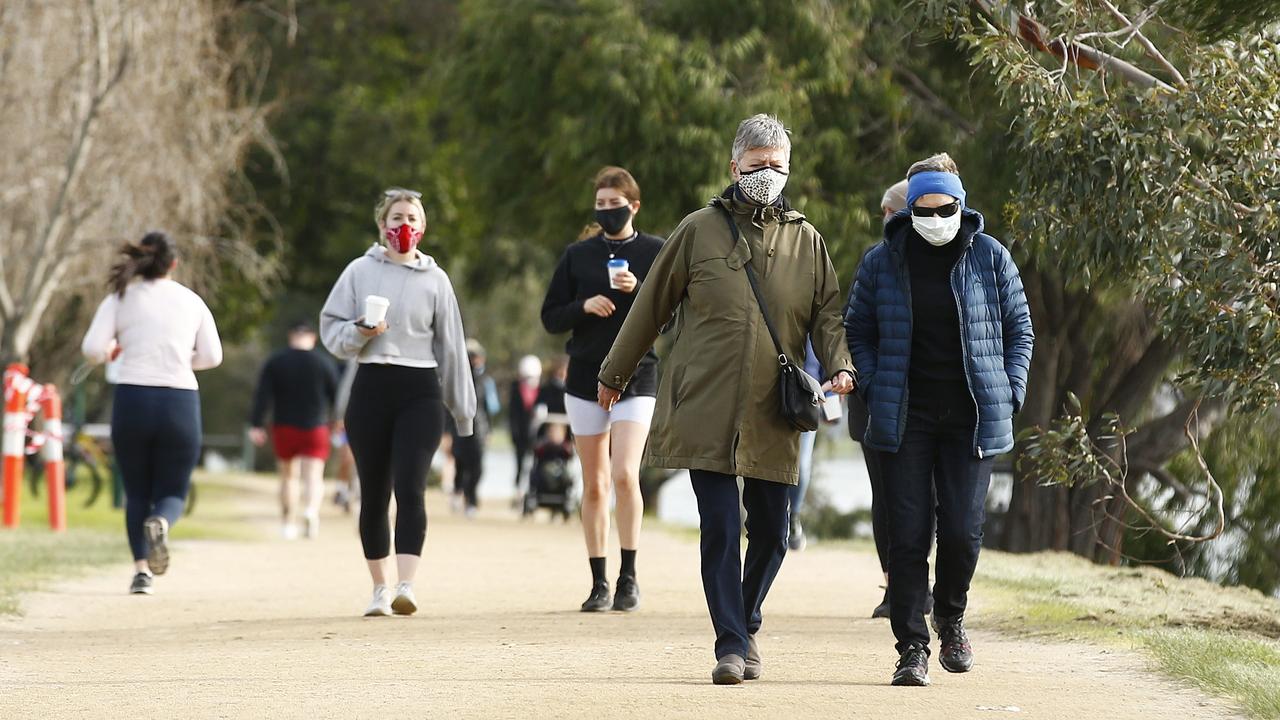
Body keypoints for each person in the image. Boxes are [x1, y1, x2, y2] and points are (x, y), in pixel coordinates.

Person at [598, 115, 855, 684]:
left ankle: (746, 616)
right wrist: (614, 372)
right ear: (734, 166)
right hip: (704, 405)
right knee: (718, 525)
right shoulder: (698, 230)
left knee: (772, 530)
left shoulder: (806, 240)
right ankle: (731, 646)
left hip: (774, 409)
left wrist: (839, 364)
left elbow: (828, 315)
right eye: (758, 163)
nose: (768, 173)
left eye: (778, 164)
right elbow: (650, 308)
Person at [844, 153, 1033, 686]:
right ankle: (911, 646)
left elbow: (1021, 329)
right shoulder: (881, 261)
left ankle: (950, 617)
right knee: (907, 533)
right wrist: (877, 381)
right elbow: (856, 330)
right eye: (922, 210)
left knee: (961, 532)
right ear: (907, 212)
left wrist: (1012, 388)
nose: (933, 218)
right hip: (906, 417)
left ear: (961, 206)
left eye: (943, 208)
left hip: (971, 417)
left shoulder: (991, 257)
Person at [320, 187, 476, 617]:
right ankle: (379, 589)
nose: (403, 226)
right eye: (395, 218)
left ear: (422, 227)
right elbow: (331, 330)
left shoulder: (436, 280)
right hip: (371, 386)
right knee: (373, 492)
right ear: (381, 225)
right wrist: (360, 332)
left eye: (411, 218)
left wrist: (463, 413)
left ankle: (407, 584)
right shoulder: (358, 271)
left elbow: (452, 349)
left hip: (420, 390)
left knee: (411, 486)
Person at [541, 166, 664, 613]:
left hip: (638, 374)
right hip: (584, 378)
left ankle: (629, 576)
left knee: (625, 474)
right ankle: (599, 581)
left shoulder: (655, 251)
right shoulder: (578, 255)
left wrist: (641, 291)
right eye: (601, 204)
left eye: (616, 204)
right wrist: (583, 305)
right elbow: (551, 316)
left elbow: (673, 313)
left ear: (634, 205)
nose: (608, 211)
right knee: (593, 483)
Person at [80, 231, 223, 595]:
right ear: (174, 264)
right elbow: (211, 357)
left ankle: (141, 571)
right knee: (173, 489)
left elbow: (93, 349)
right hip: (180, 402)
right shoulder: (191, 301)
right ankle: (162, 521)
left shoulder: (120, 298)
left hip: (133, 399)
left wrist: (115, 348)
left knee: (137, 490)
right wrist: (179, 359)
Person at [248, 322, 339, 539]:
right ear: (313, 338)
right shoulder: (324, 363)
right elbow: (337, 397)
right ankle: (310, 511)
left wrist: (256, 424)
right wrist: (337, 422)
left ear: (291, 337)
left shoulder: (276, 361)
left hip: (285, 426)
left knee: (289, 477)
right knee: (314, 475)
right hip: (316, 426)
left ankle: (288, 523)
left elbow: (263, 395)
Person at [451, 339, 499, 517]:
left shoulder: (486, 381)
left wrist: (489, 431)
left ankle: (472, 499)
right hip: (460, 426)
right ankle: (459, 493)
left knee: (477, 466)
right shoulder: (458, 378)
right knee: (461, 464)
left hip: (480, 429)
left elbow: (490, 409)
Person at [508, 355, 543, 499]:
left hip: (536, 435)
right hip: (520, 435)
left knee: (535, 465)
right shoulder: (516, 389)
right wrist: (514, 433)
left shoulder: (541, 390)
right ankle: (518, 493)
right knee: (520, 464)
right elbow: (513, 415)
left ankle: (533, 491)